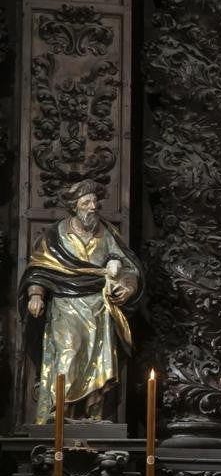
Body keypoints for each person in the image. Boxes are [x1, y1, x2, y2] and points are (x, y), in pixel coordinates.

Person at [20, 180, 142, 423]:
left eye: (95, 202)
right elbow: (40, 268)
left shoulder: (106, 233)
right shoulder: (56, 234)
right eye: (86, 202)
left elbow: (129, 267)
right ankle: (60, 411)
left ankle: (91, 413)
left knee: (99, 361)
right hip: (66, 305)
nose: (93, 207)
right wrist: (36, 294)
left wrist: (126, 287)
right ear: (74, 207)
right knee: (68, 354)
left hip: (99, 306)